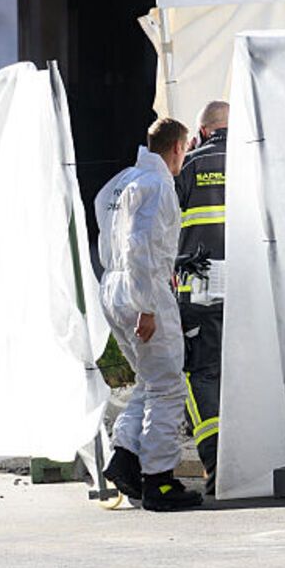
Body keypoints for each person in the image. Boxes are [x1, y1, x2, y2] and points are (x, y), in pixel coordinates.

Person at [95, 118, 203, 512]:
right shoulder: (157, 185)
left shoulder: (121, 181)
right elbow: (141, 246)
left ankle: (125, 458)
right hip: (143, 289)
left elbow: (108, 233)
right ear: (178, 147)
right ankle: (159, 480)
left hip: (114, 286)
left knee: (150, 380)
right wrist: (148, 307)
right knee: (168, 386)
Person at [174, 101, 228, 494]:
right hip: (251, 285)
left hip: (201, 287)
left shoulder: (191, 164)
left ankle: (215, 461)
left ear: (203, 131)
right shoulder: (255, 159)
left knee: (203, 372)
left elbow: (162, 223)